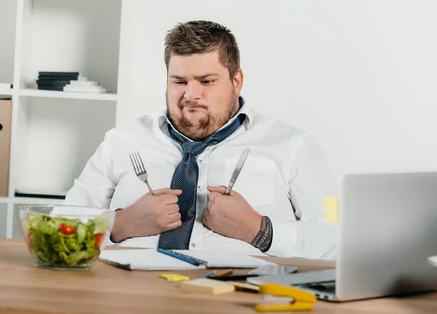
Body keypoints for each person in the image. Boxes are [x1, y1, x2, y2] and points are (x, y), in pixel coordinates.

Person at [65, 20, 337, 259]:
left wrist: (259, 230)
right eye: (179, 81)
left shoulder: (294, 146)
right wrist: (121, 223)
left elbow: (338, 236)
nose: (190, 94)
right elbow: (61, 223)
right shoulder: (121, 142)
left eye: (206, 81)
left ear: (236, 81)